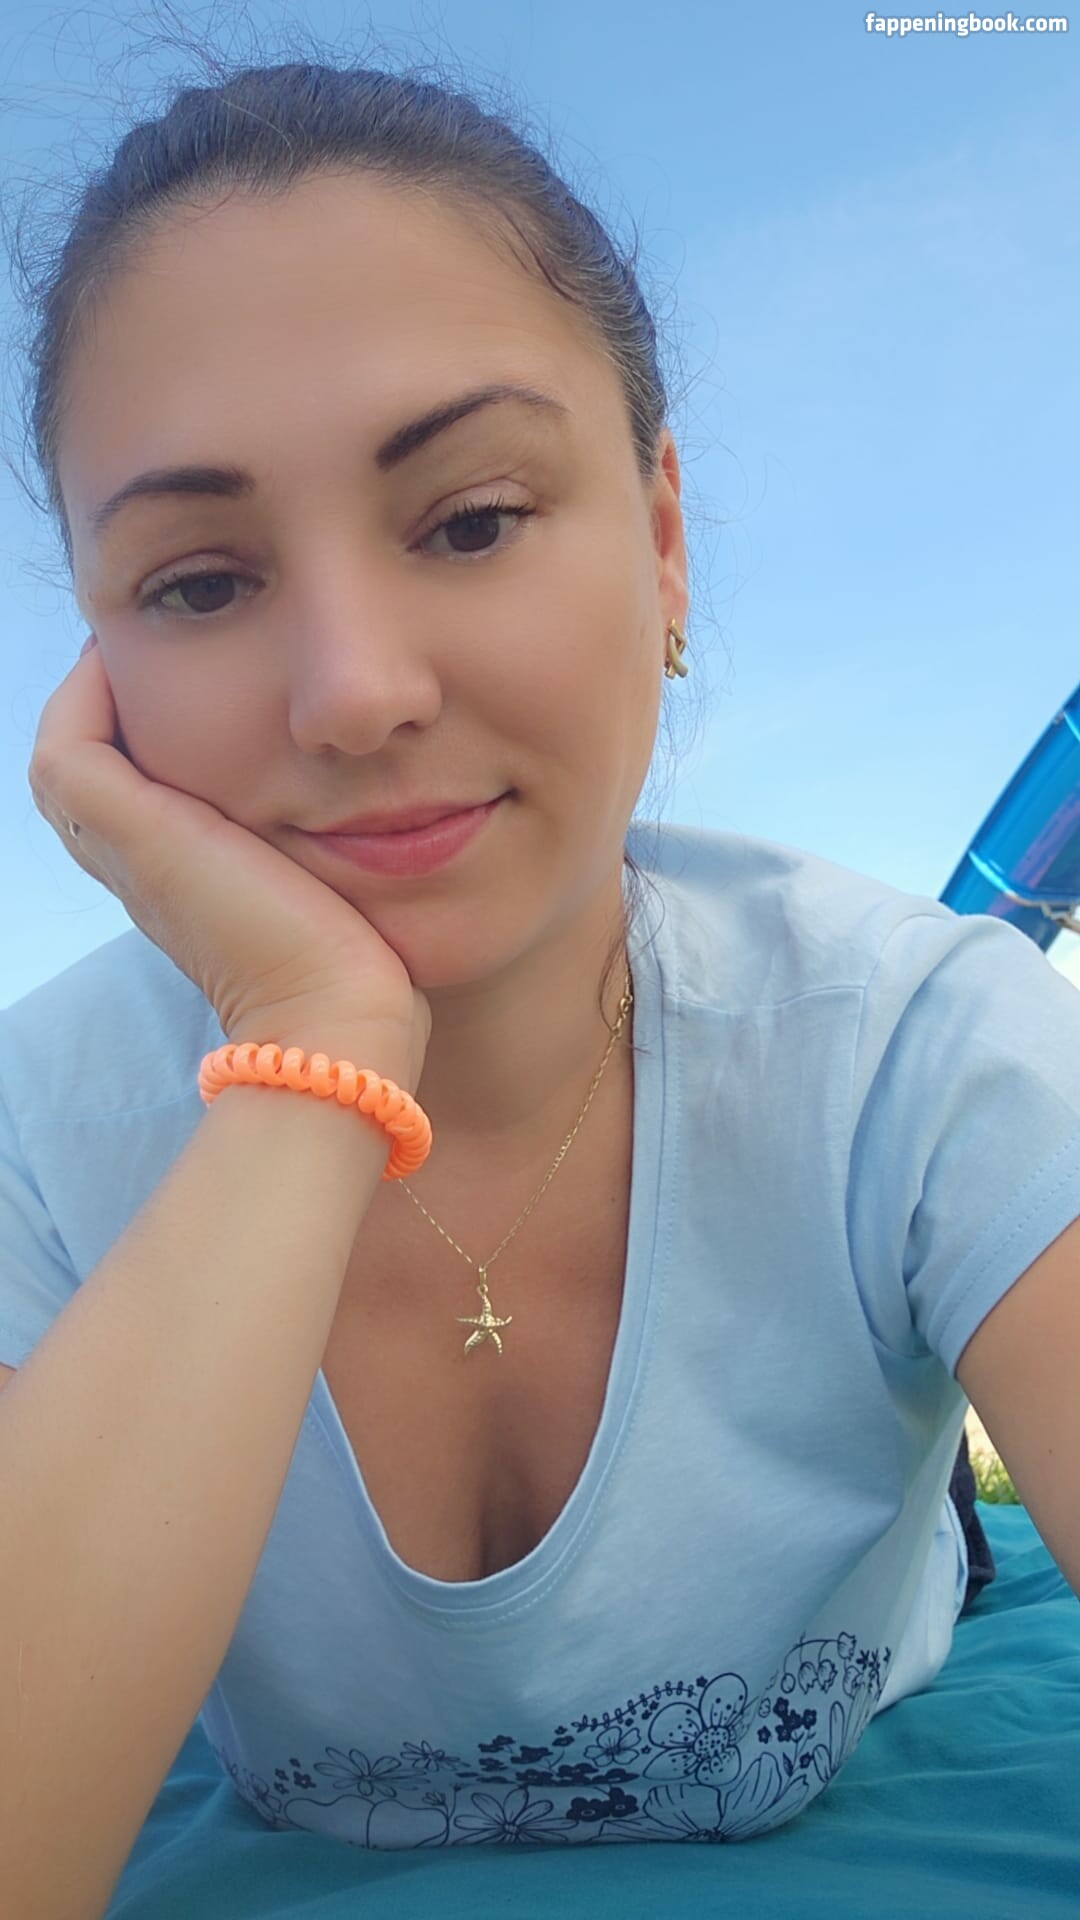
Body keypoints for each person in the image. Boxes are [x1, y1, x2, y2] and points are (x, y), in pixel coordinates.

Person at [1, 47, 1079, 1903]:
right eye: (199, 584)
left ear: (661, 541)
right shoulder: (42, 1135)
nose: (356, 692)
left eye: (473, 519)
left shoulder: (912, 1048)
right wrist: (313, 1053)